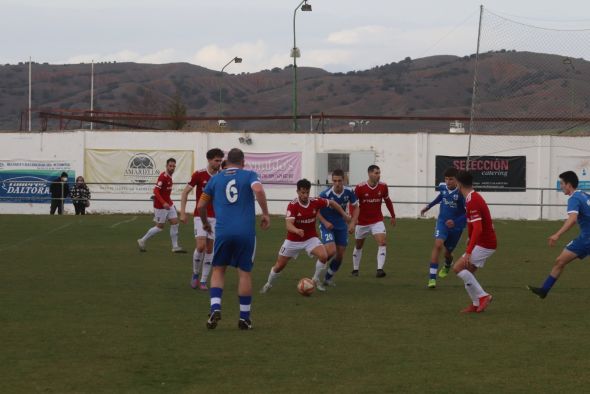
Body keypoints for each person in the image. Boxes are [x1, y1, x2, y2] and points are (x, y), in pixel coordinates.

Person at [197, 148, 270, 330]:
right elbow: (259, 190)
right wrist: (266, 214)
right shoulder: (249, 175)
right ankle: (244, 318)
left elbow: (201, 205)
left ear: (227, 161)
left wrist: (205, 223)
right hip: (245, 233)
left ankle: (215, 307)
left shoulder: (215, 179)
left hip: (222, 232)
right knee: (244, 273)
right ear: (243, 162)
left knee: (219, 270)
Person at [260, 178, 351, 293]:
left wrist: (344, 214)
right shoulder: (293, 205)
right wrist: (296, 230)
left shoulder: (315, 202)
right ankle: (268, 284)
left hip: (310, 238)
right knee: (279, 265)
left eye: (307, 192)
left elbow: (332, 203)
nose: (305, 195)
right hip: (293, 240)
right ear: (298, 192)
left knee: (323, 256)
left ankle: (315, 279)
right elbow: (288, 225)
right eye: (302, 192)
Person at [528, 171, 590, 299]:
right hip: (586, 238)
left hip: (586, 239)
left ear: (569, 185)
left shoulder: (574, 198)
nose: (560, 186)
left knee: (560, 261)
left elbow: (572, 219)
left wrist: (557, 235)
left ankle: (544, 290)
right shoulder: (584, 195)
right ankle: (544, 290)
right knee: (560, 261)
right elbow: (575, 219)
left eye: (562, 183)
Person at [180, 148, 224, 290]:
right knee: (201, 246)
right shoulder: (199, 174)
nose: (219, 163)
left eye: (220, 160)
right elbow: (185, 192)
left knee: (210, 249)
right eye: (217, 160)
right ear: (209, 160)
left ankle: (204, 281)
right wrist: (182, 212)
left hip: (216, 218)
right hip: (200, 216)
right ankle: (195, 274)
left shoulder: (222, 176)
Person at [453, 170, 496, 313]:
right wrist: (470, 238)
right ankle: (476, 304)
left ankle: (484, 296)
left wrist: (468, 252)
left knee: (458, 268)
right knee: (468, 274)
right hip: (484, 242)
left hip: (485, 244)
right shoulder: (471, 198)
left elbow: (478, 228)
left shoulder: (473, 200)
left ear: (459, 184)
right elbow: (473, 225)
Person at [420, 167, 466, 288]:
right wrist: (429, 206)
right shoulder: (443, 187)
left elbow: (468, 213)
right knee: (438, 244)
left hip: (456, 227)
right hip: (442, 222)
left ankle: (448, 263)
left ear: (457, 180)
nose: (448, 182)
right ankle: (432, 279)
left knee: (447, 253)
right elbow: (441, 196)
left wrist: (455, 222)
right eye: (446, 179)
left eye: (451, 179)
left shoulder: (462, 193)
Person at [352, 165, 396, 278]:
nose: (378, 175)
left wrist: (393, 215)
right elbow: (353, 204)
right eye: (376, 173)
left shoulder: (383, 186)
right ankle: (355, 270)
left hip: (377, 221)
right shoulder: (360, 187)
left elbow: (387, 200)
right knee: (358, 246)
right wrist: (354, 219)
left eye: (379, 173)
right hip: (362, 222)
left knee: (382, 242)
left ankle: (379, 269)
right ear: (369, 174)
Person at [317, 169, 359, 286]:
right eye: (334, 181)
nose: (337, 183)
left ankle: (328, 278)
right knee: (330, 252)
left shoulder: (349, 191)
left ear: (344, 180)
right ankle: (315, 277)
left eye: (339, 180)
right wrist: (325, 222)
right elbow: (315, 211)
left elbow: (356, 207)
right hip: (328, 226)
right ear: (332, 181)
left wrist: (352, 223)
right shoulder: (325, 194)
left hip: (341, 225)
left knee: (340, 255)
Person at [137, 158, 186, 253]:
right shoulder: (162, 177)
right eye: (170, 166)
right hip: (160, 206)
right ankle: (142, 240)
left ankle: (175, 247)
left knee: (175, 223)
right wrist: (163, 203)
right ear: (166, 166)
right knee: (159, 227)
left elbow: (165, 193)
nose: (172, 168)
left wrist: (168, 203)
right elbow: (155, 191)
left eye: (173, 166)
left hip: (169, 204)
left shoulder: (169, 177)